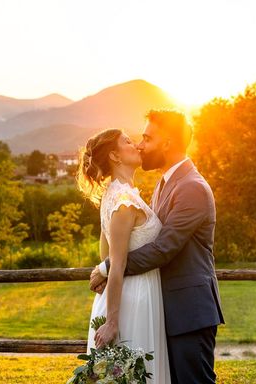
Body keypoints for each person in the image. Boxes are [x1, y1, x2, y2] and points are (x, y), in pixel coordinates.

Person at [89, 109, 225, 384]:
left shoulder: (192, 188)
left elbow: (164, 248)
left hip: (189, 312)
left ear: (167, 143)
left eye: (147, 139)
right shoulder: (162, 185)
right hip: (163, 309)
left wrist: (107, 267)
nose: (140, 145)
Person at [78, 128, 171, 383]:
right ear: (115, 156)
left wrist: (103, 270)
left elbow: (104, 253)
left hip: (136, 293)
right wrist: (112, 322)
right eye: (128, 142)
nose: (137, 146)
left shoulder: (115, 195)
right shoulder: (122, 201)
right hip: (134, 300)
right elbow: (116, 264)